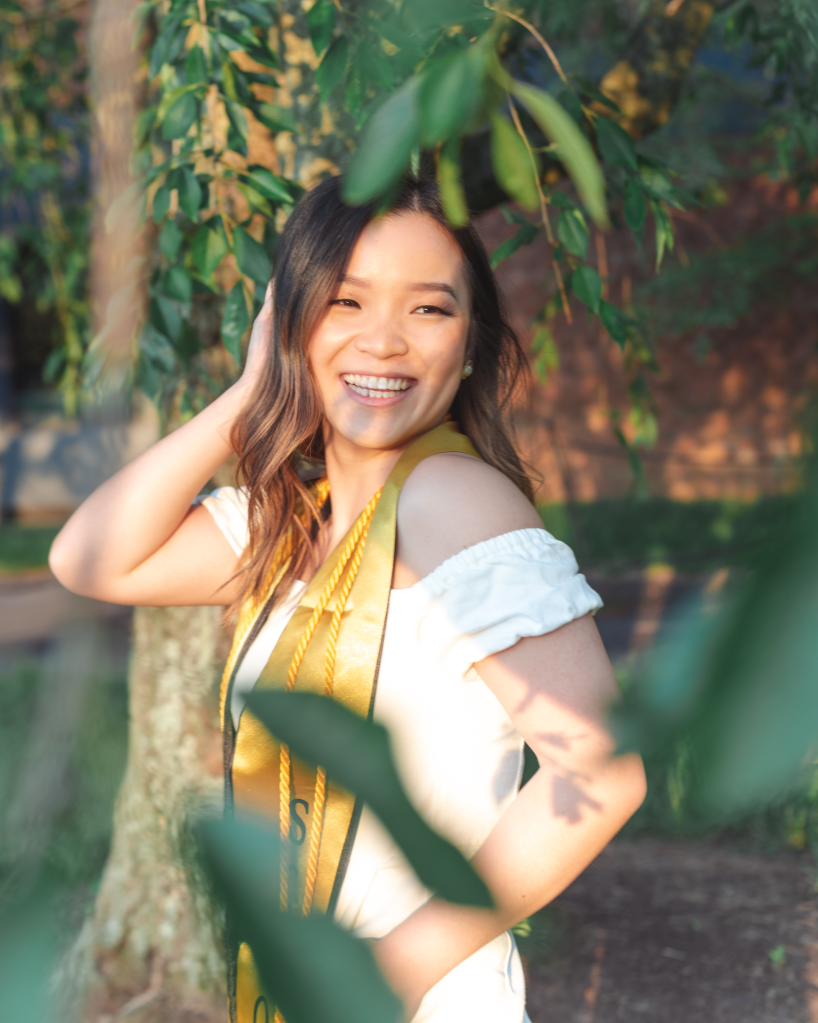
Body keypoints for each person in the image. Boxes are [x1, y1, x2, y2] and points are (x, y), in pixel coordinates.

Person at [50, 175, 646, 1023]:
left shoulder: (455, 504)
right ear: (291, 325)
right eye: (344, 302)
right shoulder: (295, 520)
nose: (384, 341)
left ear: (468, 343)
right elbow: (89, 557)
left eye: (428, 309)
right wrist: (251, 391)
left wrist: (392, 972)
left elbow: (603, 771)